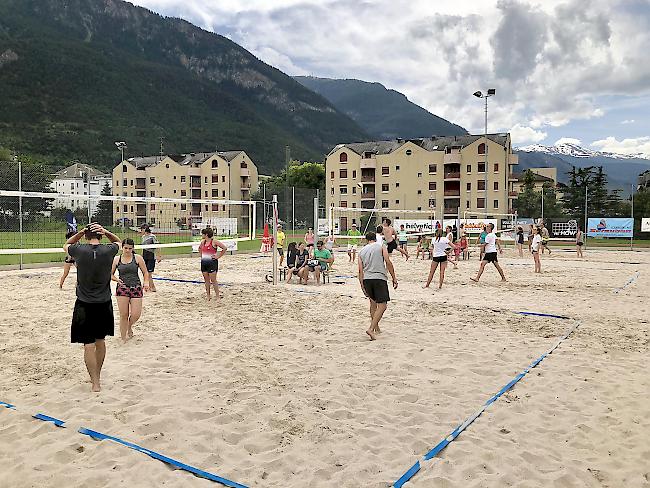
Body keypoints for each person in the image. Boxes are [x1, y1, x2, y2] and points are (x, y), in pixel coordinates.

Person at [64, 223, 121, 392]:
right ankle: (98, 376)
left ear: (86, 236)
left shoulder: (79, 250)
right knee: (100, 341)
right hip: (103, 302)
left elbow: (66, 245)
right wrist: (106, 231)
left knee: (88, 345)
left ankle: (94, 381)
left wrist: (80, 232)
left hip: (84, 303)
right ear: (101, 236)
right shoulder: (109, 250)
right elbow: (118, 241)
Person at [358, 231, 398, 341]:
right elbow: (388, 262)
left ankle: (376, 327)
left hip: (367, 279)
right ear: (375, 238)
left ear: (366, 239)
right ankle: (371, 328)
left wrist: (362, 285)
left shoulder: (361, 251)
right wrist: (394, 277)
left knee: (373, 304)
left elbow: (360, 270)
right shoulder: (381, 246)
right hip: (379, 278)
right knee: (383, 305)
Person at [111, 238, 149, 342]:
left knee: (136, 314)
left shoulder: (137, 258)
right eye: (125, 248)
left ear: (133, 248)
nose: (127, 250)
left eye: (130, 248)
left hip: (136, 287)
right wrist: (116, 279)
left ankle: (129, 326)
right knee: (124, 314)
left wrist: (146, 282)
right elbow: (110, 274)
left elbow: (145, 272)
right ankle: (123, 337)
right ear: (122, 247)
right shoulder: (116, 259)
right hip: (122, 288)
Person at [199, 227, 228, 301]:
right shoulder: (203, 242)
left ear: (206, 234)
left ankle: (217, 296)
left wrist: (218, 256)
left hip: (212, 263)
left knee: (213, 280)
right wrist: (203, 256)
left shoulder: (214, 242)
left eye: (203, 234)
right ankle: (208, 296)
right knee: (206, 280)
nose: (201, 235)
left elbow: (224, 248)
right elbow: (199, 249)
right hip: (204, 263)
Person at [140, 224, 162, 292]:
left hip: (151, 256)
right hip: (144, 256)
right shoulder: (143, 237)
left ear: (144, 229)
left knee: (149, 274)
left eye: (141, 230)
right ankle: (147, 287)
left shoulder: (152, 236)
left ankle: (153, 287)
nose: (141, 231)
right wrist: (141, 255)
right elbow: (143, 247)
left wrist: (159, 256)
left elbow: (158, 246)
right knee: (145, 273)